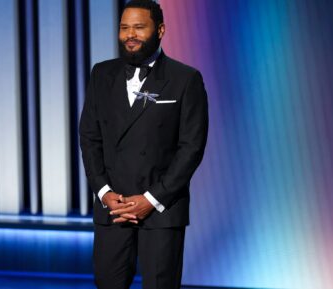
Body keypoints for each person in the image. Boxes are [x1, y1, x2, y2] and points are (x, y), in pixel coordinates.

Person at [79, 1, 208, 288]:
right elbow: (89, 137)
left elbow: (191, 147)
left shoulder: (185, 79)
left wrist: (150, 199)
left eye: (139, 27)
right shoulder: (101, 73)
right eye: (124, 28)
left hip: (161, 209)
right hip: (114, 207)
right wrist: (104, 192)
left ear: (160, 30)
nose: (130, 34)